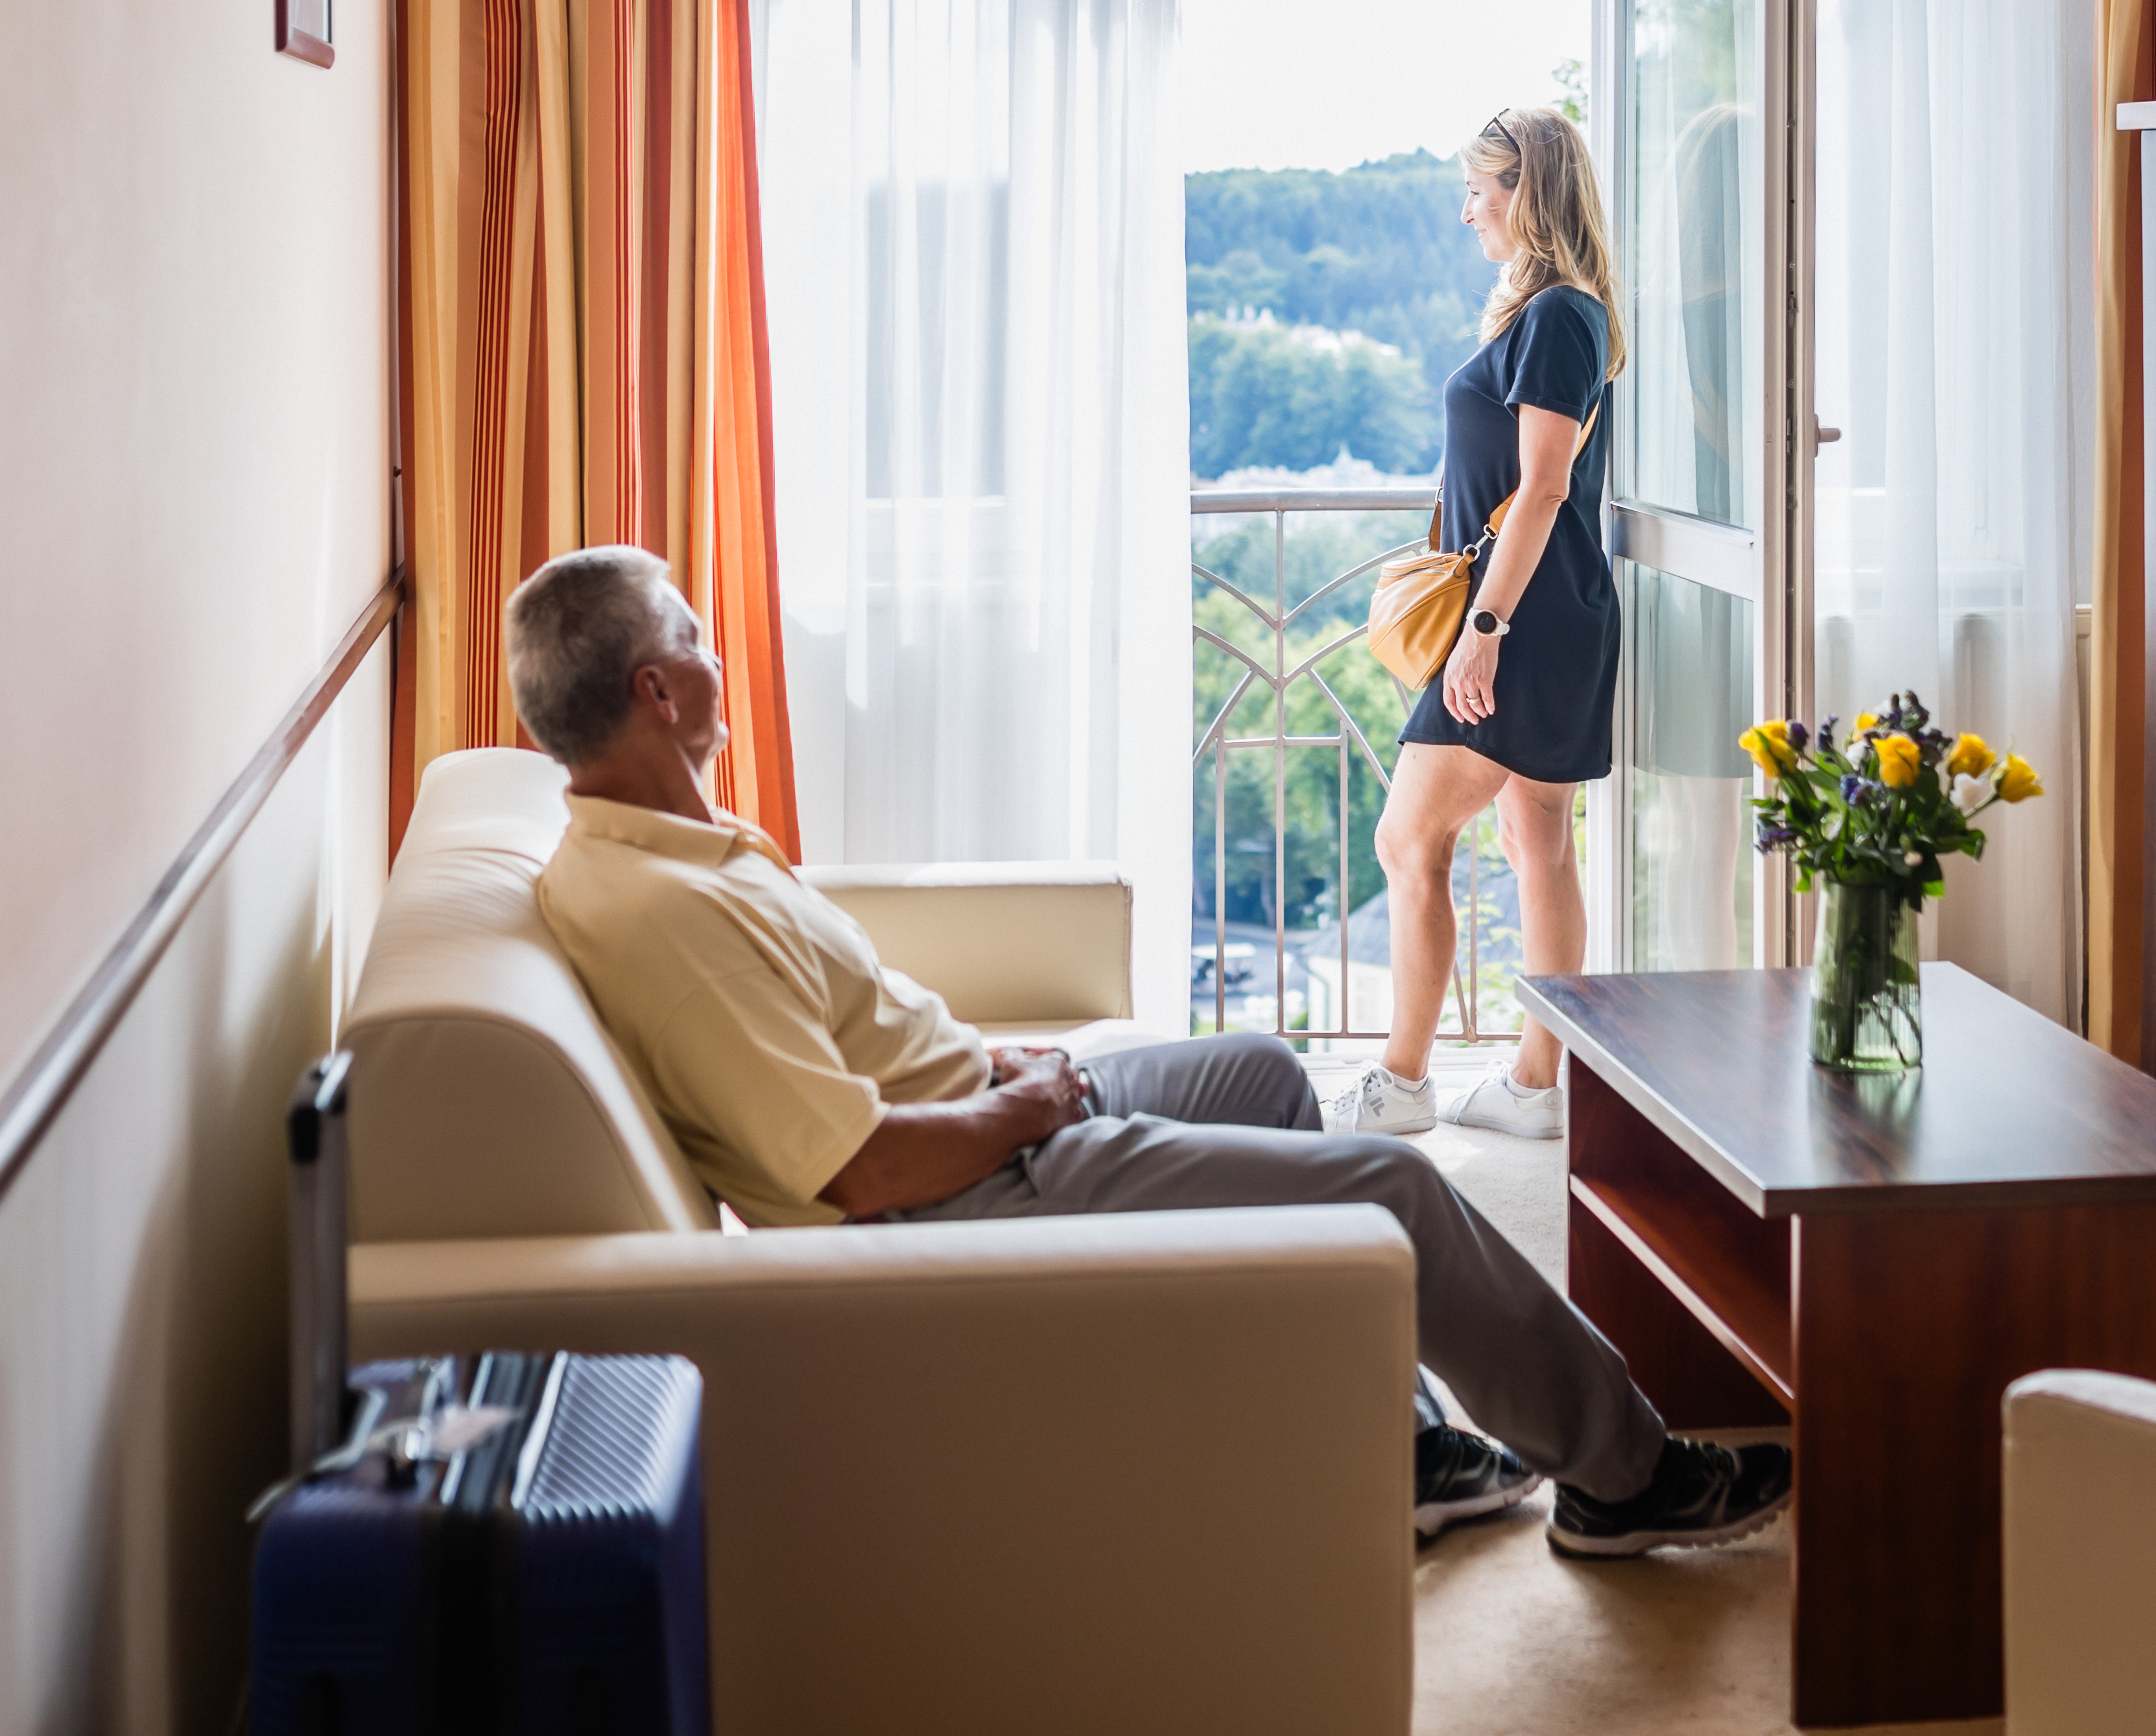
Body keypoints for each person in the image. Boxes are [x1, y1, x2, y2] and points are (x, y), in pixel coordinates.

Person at [501, 543, 1790, 1560]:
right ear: (656, 692)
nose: (715, 653)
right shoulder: (660, 914)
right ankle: (1625, 1478)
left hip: (981, 1113)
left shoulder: (680, 848)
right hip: (960, 1196)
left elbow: (846, 1032)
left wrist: (1000, 1060)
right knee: (1396, 1186)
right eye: (693, 636)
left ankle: (1403, 1449)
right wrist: (1026, 1108)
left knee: (1264, 1071)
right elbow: (857, 1169)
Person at [1328, 106, 1621, 1142]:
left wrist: (1483, 629)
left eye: (1478, 191)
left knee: (1409, 839)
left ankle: (1402, 1083)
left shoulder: (1556, 318)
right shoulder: (1566, 313)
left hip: (1522, 622)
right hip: (1557, 612)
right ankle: (1535, 1089)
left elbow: (1543, 487)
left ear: (1525, 193)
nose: (1467, 214)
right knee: (1537, 841)